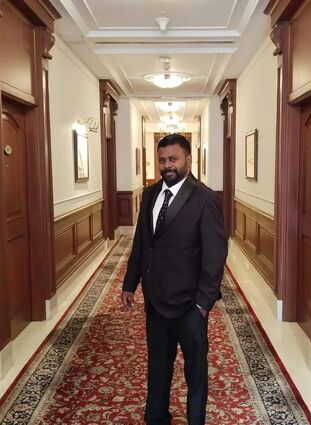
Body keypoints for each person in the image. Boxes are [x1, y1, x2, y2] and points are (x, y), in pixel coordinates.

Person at [121, 133, 227, 425]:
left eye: (173, 159)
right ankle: (156, 418)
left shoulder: (206, 199)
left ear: (188, 160)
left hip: (189, 306)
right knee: (157, 367)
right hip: (155, 303)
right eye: (162, 160)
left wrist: (203, 304)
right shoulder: (150, 194)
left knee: (195, 372)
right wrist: (130, 283)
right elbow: (142, 243)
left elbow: (215, 255)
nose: (167, 165)